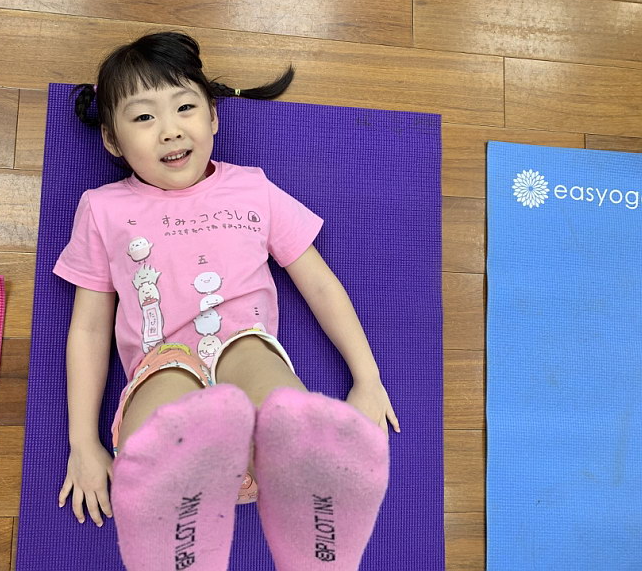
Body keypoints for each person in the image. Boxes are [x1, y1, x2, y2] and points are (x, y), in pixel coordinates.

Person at [53, 31, 399, 570]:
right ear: (112, 142)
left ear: (213, 117)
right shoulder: (102, 209)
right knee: (168, 383)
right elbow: (90, 327)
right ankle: (175, 529)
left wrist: (367, 377)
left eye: (185, 108)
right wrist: (83, 443)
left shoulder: (252, 188)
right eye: (143, 117)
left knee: (252, 355)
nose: (170, 129)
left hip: (250, 384)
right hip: (163, 374)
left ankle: (308, 506)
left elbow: (320, 283)